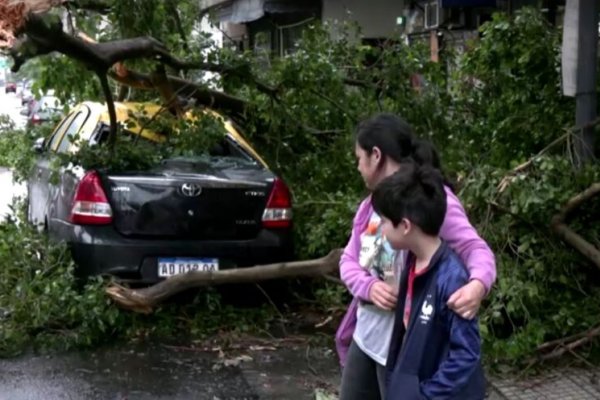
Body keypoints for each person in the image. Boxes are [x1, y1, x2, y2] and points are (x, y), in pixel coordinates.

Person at [336, 113, 495, 400]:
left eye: (358, 158)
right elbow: (348, 260)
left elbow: (475, 249)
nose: (357, 167)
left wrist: (477, 285)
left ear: (376, 156)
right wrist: (369, 287)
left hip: (406, 346)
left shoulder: (427, 197)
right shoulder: (369, 206)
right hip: (366, 334)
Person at [372, 163, 485, 400]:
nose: (381, 229)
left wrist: (426, 395)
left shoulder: (452, 278)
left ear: (404, 226)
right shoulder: (412, 262)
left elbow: (466, 353)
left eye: (383, 222)